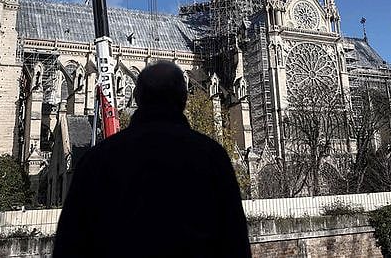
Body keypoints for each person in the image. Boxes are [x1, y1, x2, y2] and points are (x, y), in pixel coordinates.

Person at [54, 60, 252, 257]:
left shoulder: (95, 160)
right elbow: (236, 244)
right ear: (184, 99)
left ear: (137, 97)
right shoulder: (213, 157)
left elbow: (69, 245)